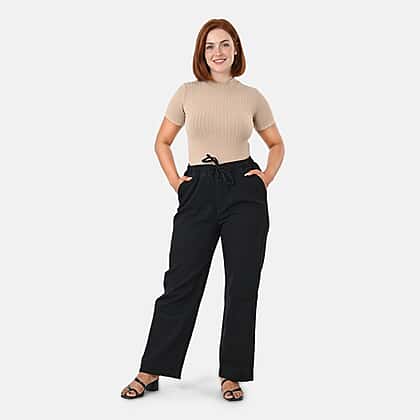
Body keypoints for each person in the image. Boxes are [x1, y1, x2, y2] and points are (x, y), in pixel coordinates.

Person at [121, 18, 285, 402]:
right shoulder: (186, 93)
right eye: (210, 46)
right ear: (202, 53)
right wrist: (176, 182)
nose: (218, 52)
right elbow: (162, 142)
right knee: (180, 281)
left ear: (236, 49)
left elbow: (277, 144)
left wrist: (264, 178)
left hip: (243, 190)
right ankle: (151, 369)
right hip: (198, 187)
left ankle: (232, 374)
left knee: (242, 284)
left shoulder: (252, 97)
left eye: (225, 44)